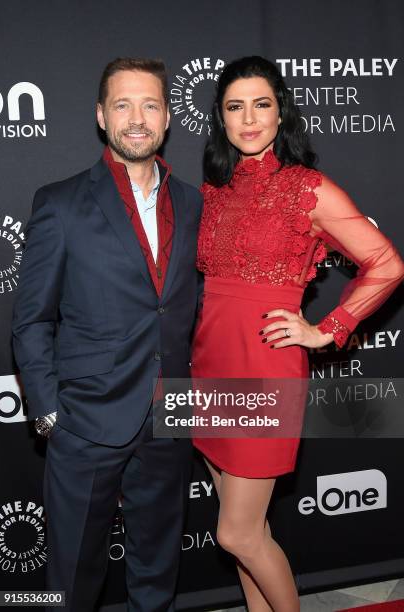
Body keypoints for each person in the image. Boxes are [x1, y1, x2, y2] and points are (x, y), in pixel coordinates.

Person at [191, 56, 404, 611]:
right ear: (221, 118)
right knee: (247, 535)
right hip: (209, 366)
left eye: (261, 104)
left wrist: (327, 329)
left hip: (264, 365)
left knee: (236, 533)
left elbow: (385, 263)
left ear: (281, 111)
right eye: (235, 107)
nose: (249, 119)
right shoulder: (216, 189)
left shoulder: (307, 189)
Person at [12, 57, 203, 612]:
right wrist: (48, 410)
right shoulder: (61, 202)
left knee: (157, 568)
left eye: (150, 104)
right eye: (123, 104)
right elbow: (31, 318)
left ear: (168, 118)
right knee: (71, 575)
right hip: (86, 419)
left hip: (171, 415)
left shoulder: (192, 204)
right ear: (101, 116)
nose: (136, 118)